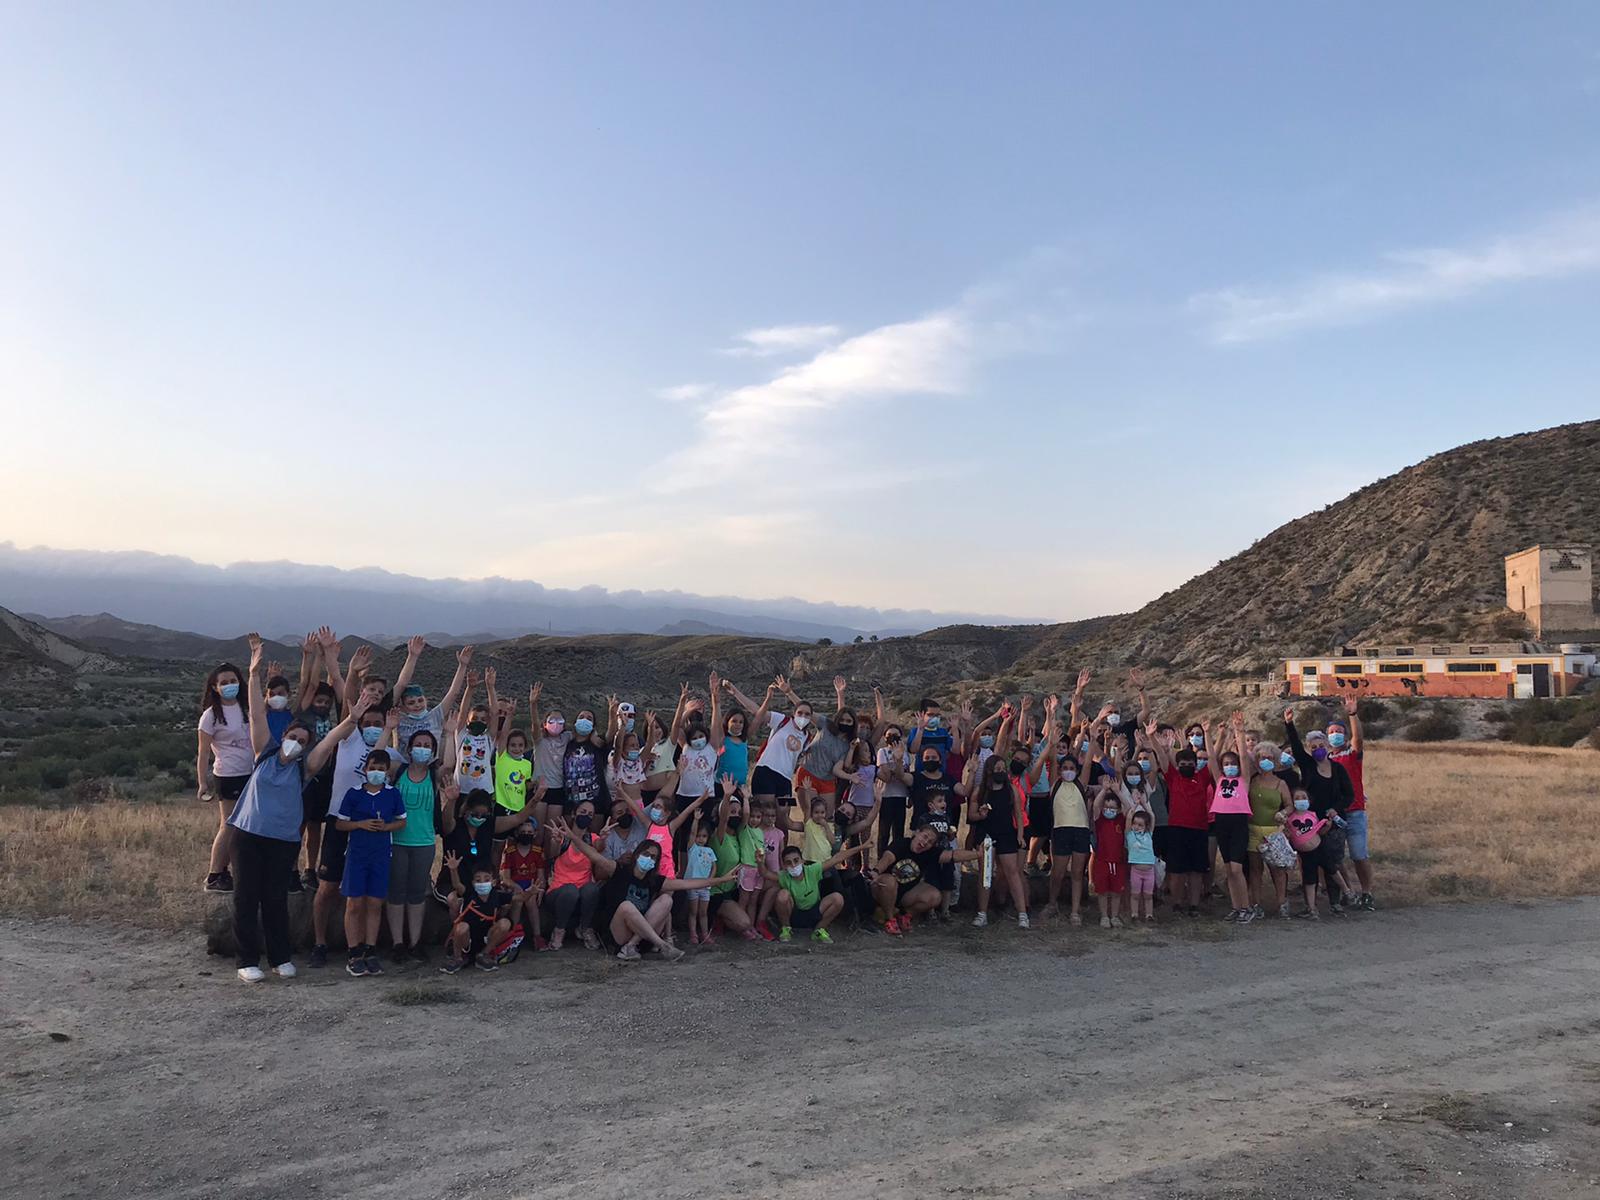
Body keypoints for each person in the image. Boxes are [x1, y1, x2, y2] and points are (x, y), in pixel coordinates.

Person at [228, 633, 365, 983]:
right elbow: (257, 711)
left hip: (283, 841)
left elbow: (332, 738)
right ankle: (247, 960)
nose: (296, 744)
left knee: (274, 899)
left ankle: (279, 957)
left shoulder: (306, 767)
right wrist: (254, 671)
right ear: (285, 735)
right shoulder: (266, 754)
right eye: (294, 737)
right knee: (246, 897)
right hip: (247, 835)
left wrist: (353, 716)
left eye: (303, 742)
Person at [546, 820, 737, 962]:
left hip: (640, 936)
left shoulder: (654, 880)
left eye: (654, 857)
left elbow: (688, 884)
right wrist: (572, 838)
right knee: (627, 906)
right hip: (617, 932)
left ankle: (631, 947)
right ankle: (662, 945)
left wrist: (722, 879)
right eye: (646, 854)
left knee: (667, 901)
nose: (649, 859)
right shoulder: (618, 870)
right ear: (637, 854)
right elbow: (594, 856)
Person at [385, 725, 455, 963]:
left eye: (427, 746)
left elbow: (450, 765)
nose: (422, 749)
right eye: (418, 745)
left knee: (417, 894)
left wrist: (449, 734)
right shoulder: (397, 771)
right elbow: (376, 756)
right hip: (396, 840)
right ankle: (397, 943)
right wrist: (388, 729)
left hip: (424, 842)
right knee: (395, 893)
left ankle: (415, 943)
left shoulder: (434, 776)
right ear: (409, 748)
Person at [336, 749, 407, 977]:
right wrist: (360, 824)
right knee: (354, 904)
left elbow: (401, 822)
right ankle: (353, 952)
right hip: (357, 854)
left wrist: (386, 827)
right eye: (373, 768)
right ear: (365, 769)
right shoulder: (354, 794)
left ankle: (370, 950)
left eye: (381, 769)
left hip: (381, 854)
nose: (376, 773)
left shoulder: (393, 794)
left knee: (375, 904)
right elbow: (340, 824)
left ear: (387, 772)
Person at [1282, 708, 1355, 913]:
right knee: (1310, 863)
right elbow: (1295, 748)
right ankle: (1310, 906)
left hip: (1332, 821)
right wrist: (1289, 724)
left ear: (1327, 745)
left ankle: (1336, 902)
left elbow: (1349, 795)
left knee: (1332, 862)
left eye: (1320, 745)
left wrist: (1335, 809)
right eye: (1313, 747)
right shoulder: (1308, 765)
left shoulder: (1338, 769)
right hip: (1309, 823)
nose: (1317, 750)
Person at [970, 710, 1036, 931]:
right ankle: (982, 913)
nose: (1000, 771)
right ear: (989, 771)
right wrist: (979, 815)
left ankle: (1022, 915)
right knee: (985, 874)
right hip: (985, 834)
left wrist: (1019, 836)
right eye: (996, 769)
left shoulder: (1010, 789)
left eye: (1002, 768)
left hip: (1007, 834)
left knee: (1012, 872)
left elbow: (1018, 813)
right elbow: (970, 815)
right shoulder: (980, 790)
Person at [197, 660, 253, 893]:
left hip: (250, 773)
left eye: (233, 681)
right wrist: (202, 782)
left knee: (245, 827)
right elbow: (202, 753)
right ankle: (214, 875)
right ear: (214, 687)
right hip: (228, 774)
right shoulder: (210, 716)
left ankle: (231, 870)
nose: (230, 685)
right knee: (229, 825)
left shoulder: (246, 708)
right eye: (224, 683)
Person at [1148, 721, 1213, 918]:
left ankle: (1194, 905)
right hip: (1176, 829)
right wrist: (1152, 737)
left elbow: (1213, 757)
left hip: (1199, 829)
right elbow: (1161, 757)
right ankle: (1176, 903)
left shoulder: (1202, 777)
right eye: (1182, 764)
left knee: (1196, 871)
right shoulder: (1173, 777)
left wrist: (1208, 734)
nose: (1185, 766)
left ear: (1195, 765)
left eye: (1189, 764)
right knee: (1176, 870)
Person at [870, 825, 983, 936]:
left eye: (930, 842)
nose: (925, 842)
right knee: (889, 882)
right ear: (916, 833)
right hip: (883, 889)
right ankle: (890, 920)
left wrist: (978, 854)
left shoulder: (930, 853)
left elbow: (953, 855)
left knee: (935, 896)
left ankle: (904, 916)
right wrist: (876, 871)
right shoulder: (901, 843)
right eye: (924, 836)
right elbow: (887, 858)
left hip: (905, 894)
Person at [1205, 713, 1257, 924]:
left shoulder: (1243, 781)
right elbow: (1210, 759)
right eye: (1226, 763)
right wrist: (1208, 733)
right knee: (1229, 869)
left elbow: (1244, 758)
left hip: (1238, 825)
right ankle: (1236, 907)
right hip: (1221, 824)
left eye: (1231, 763)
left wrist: (1239, 731)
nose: (1229, 766)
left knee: (1237, 869)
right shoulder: (1219, 780)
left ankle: (1246, 907)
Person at [1326, 695, 1376, 910]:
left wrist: (1353, 715)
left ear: (1344, 735)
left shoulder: (1351, 754)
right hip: (1335, 814)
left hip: (1354, 811)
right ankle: (1348, 891)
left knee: (1359, 855)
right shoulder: (1325, 759)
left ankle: (1366, 892)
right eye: (1331, 732)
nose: (1335, 735)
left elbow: (1359, 740)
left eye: (1339, 731)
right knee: (1336, 858)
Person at [765, 842, 870, 943]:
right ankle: (786, 928)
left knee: (837, 898)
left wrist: (862, 847)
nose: (793, 865)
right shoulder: (784, 876)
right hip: (794, 915)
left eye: (796, 861)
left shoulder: (812, 870)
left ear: (802, 860)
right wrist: (760, 862)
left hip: (815, 912)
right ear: (784, 866)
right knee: (782, 894)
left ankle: (819, 930)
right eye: (788, 863)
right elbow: (765, 873)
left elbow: (837, 858)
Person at [389, 637, 472, 762]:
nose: (417, 705)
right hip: (404, 770)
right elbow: (401, 684)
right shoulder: (398, 718)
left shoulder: (435, 716)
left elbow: (453, 693)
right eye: (411, 703)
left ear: (426, 700)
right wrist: (412, 656)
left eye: (420, 700)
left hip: (431, 770)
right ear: (403, 706)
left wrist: (462, 666)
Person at [543, 800, 603, 951]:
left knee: (592, 889)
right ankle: (559, 930)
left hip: (583, 892)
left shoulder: (592, 839)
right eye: (582, 812)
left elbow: (600, 850)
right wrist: (555, 840)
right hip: (559, 892)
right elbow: (552, 853)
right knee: (570, 891)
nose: (586, 816)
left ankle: (585, 928)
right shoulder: (562, 835)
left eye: (590, 814)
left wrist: (604, 838)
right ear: (573, 813)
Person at [440, 854, 514, 973]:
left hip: (486, 938)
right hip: (467, 938)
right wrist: (453, 870)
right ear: (473, 883)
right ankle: (457, 958)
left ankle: (484, 955)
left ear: (494, 882)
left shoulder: (497, 895)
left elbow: (518, 898)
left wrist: (531, 892)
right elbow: (457, 885)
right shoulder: (469, 893)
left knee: (505, 923)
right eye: (478, 880)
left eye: (486, 879)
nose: (482, 882)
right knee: (461, 927)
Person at [1246, 738, 1293, 918]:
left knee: (1277, 870)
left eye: (1269, 758)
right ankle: (1256, 903)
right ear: (1256, 760)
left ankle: (1281, 903)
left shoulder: (1280, 784)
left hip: (1274, 831)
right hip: (1253, 830)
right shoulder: (1251, 781)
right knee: (1255, 870)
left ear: (1275, 761)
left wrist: (1284, 813)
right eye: (1262, 757)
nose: (1265, 761)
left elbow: (1289, 804)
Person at [795, 675, 852, 812]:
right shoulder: (826, 725)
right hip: (808, 773)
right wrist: (789, 692)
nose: (844, 723)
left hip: (827, 780)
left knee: (826, 817)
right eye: (842, 720)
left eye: (849, 721)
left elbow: (839, 767)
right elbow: (805, 712)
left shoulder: (847, 745)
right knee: (811, 814)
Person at [500, 818, 548, 950]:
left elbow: (540, 875)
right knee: (518, 901)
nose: (526, 834)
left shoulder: (538, 852)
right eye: (523, 831)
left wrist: (540, 889)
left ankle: (537, 937)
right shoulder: (510, 852)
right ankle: (513, 935)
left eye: (529, 832)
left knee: (531, 901)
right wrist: (516, 887)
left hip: (532, 885)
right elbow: (506, 878)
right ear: (516, 833)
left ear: (535, 833)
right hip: (515, 885)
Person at [528, 682, 572, 811]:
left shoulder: (567, 737)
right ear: (545, 724)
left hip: (558, 788)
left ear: (564, 725)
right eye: (551, 721)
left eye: (560, 721)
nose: (556, 724)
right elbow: (535, 724)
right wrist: (533, 704)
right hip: (540, 787)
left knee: (552, 828)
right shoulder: (539, 740)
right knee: (539, 827)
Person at [1091, 786, 1128, 928]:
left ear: (1118, 810)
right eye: (1106, 807)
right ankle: (1104, 916)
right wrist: (1104, 790)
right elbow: (1095, 805)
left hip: (1118, 861)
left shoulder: (1121, 820)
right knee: (1102, 891)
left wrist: (1118, 793)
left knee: (1116, 891)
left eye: (1112, 808)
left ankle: (1114, 916)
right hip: (1102, 861)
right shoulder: (1100, 820)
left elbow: (1128, 807)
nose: (1108, 810)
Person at [683, 815, 718, 944]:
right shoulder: (692, 848)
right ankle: (693, 933)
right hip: (693, 884)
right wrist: (696, 820)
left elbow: (714, 866)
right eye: (698, 836)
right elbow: (692, 833)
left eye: (704, 836)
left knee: (703, 912)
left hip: (705, 887)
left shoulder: (709, 851)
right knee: (693, 911)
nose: (700, 839)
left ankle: (705, 934)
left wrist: (710, 880)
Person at [1126, 805, 1158, 923]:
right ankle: (1134, 914)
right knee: (1135, 894)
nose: (1136, 827)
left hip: (1149, 871)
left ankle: (1149, 915)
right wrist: (1134, 805)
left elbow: (1152, 816)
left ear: (1146, 826)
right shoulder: (1130, 835)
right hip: (1136, 871)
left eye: (1140, 825)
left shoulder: (1149, 835)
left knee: (1148, 895)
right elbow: (1129, 818)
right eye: (1135, 824)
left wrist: (1144, 804)